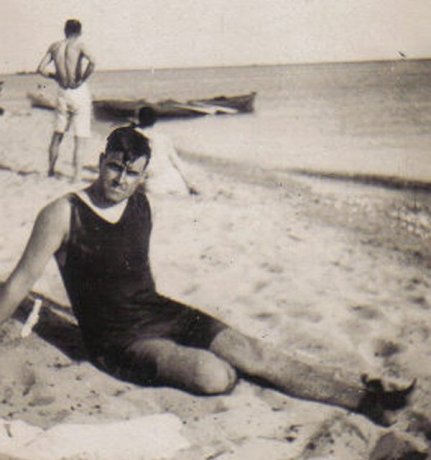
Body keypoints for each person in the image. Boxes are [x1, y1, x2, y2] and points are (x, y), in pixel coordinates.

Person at [0, 127, 414, 427]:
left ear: (144, 177)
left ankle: (366, 400)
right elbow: (19, 282)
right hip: (117, 339)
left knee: (254, 352)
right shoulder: (62, 213)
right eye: (113, 169)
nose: (120, 181)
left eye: (131, 174)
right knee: (215, 376)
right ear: (101, 161)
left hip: (160, 311)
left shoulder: (141, 203)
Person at [37, 19, 96, 182]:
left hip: (62, 92)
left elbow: (40, 69)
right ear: (79, 32)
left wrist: (56, 76)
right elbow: (93, 62)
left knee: (58, 134)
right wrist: (82, 78)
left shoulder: (55, 46)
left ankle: (50, 170)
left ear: (65, 31)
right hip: (78, 91)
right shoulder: (79, 46)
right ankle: (76, 176)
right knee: (80, 137)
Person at [134, 107, 198, 195]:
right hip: (175, 180)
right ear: (155, 120)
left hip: (153, 183)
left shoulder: (133, 137)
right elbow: (177, 162)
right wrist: (190, 185)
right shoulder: (163, 138)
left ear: (139, 119)